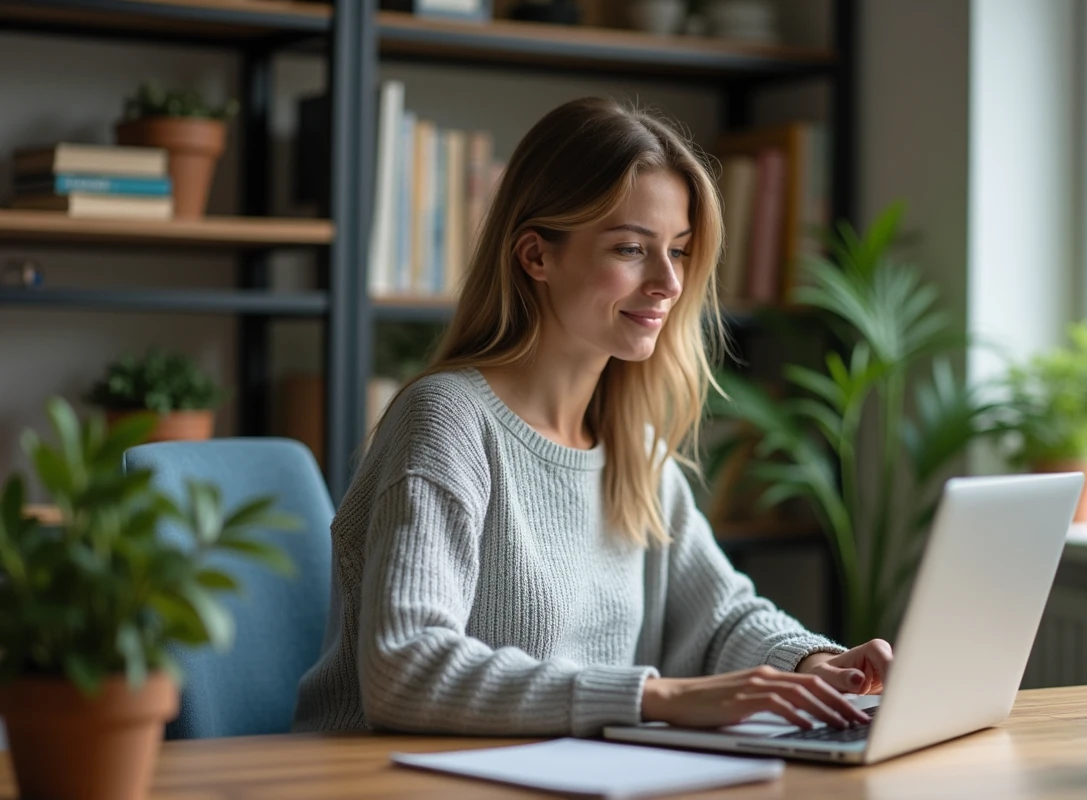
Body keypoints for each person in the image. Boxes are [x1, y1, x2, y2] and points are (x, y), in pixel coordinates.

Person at [292, 97, 893, 737]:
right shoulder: (449, 421)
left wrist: (817, 663)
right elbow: (405, 668)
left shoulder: (629, 444)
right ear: (536, 257)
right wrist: (655, 698)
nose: (668, 282)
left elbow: (718, 617)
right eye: (632, 248)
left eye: (680, 252)